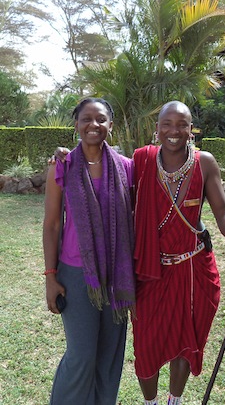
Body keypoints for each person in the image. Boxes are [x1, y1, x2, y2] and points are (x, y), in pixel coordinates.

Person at [132, 101, 225, 405]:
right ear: (157, 128)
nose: (174, 131)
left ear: (191, 129)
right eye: (167, 123)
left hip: (193, 271)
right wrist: (69, 158)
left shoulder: (204, 163)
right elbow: (111, 176)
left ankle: (174, 402)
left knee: (186, 341)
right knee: (146, 344)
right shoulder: (142, 161)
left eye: (182, 124)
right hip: (150, 272)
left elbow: (223, 214)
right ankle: (150, 403)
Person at [43, 97, 136, 405]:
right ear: (76, 125)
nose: (93, 125)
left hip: (116, 274)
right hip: (76, 275)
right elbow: (52, 224)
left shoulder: (127, 168)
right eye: (86, 119)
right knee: (81, 356)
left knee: (109, 356)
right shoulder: (63, 165)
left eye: (100, 119)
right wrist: (50, 277)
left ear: (111, 126)